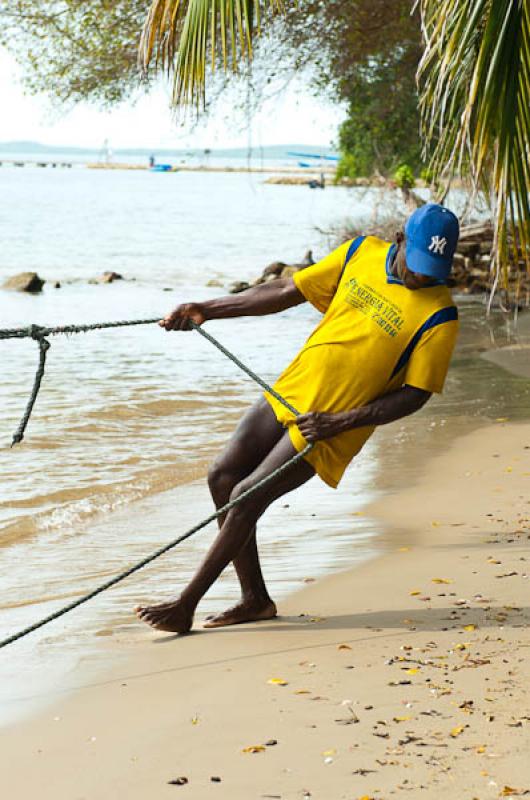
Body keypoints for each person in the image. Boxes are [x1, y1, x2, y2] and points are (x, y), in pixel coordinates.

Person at [136, 203, 460, 634]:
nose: (422, 276)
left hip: (331, 425)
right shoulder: (358, 253)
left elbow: (415, 395)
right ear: (401, 239)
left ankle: (185, 605)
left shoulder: (440, 313)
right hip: (289, 390)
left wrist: (341, 422)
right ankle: (254, 599)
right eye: (417, 264)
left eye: (432, 268)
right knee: (222, 477)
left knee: (247, 496)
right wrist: (207, 308)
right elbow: (286, 292)